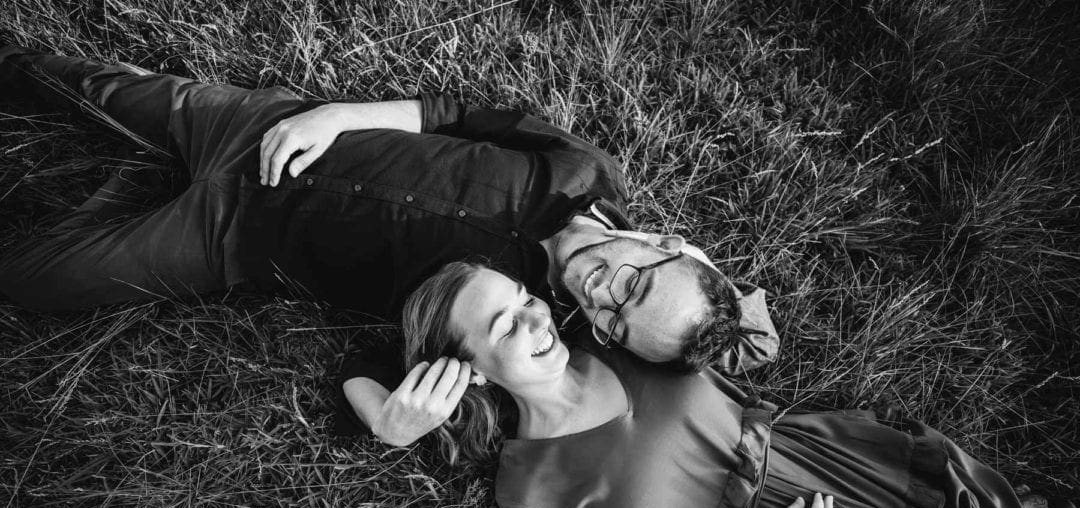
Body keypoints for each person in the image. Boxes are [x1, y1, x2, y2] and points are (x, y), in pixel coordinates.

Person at [347, 260, 1080, 508]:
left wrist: (676, 269)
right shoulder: (530, 489)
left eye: (525, 299)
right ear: (468, 373)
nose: (537, 318)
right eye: (503, 324)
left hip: (853, 480)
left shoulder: (617, 338)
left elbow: (748, 336)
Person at [0, 46, 778, 387]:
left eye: (613, 325)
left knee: (34, 280)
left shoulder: (518, 329)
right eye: (636, 288)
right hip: (263, 128)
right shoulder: (584, 170)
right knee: (90, 88)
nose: (602, 299)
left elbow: (391, 366)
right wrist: (334, 116)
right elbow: (457, 112)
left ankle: (119, 192)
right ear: (666, 242)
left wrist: (393, 417)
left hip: (232, 238)